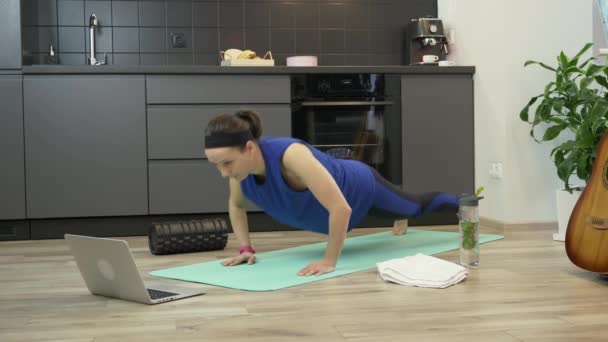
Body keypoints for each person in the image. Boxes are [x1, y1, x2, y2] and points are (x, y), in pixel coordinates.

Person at [204, 109, 459, 276]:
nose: (223, 173)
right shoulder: (240, 170)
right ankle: (399, 215)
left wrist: (329, 261)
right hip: (345, 211)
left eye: (226, 163)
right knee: (398, 212)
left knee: (416, 209)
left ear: (249, 148)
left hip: (362, 189)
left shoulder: (290, 156)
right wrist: (245, 248)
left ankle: (464, 203)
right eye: (216, 165)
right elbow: (236, 206)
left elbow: (340, 208)